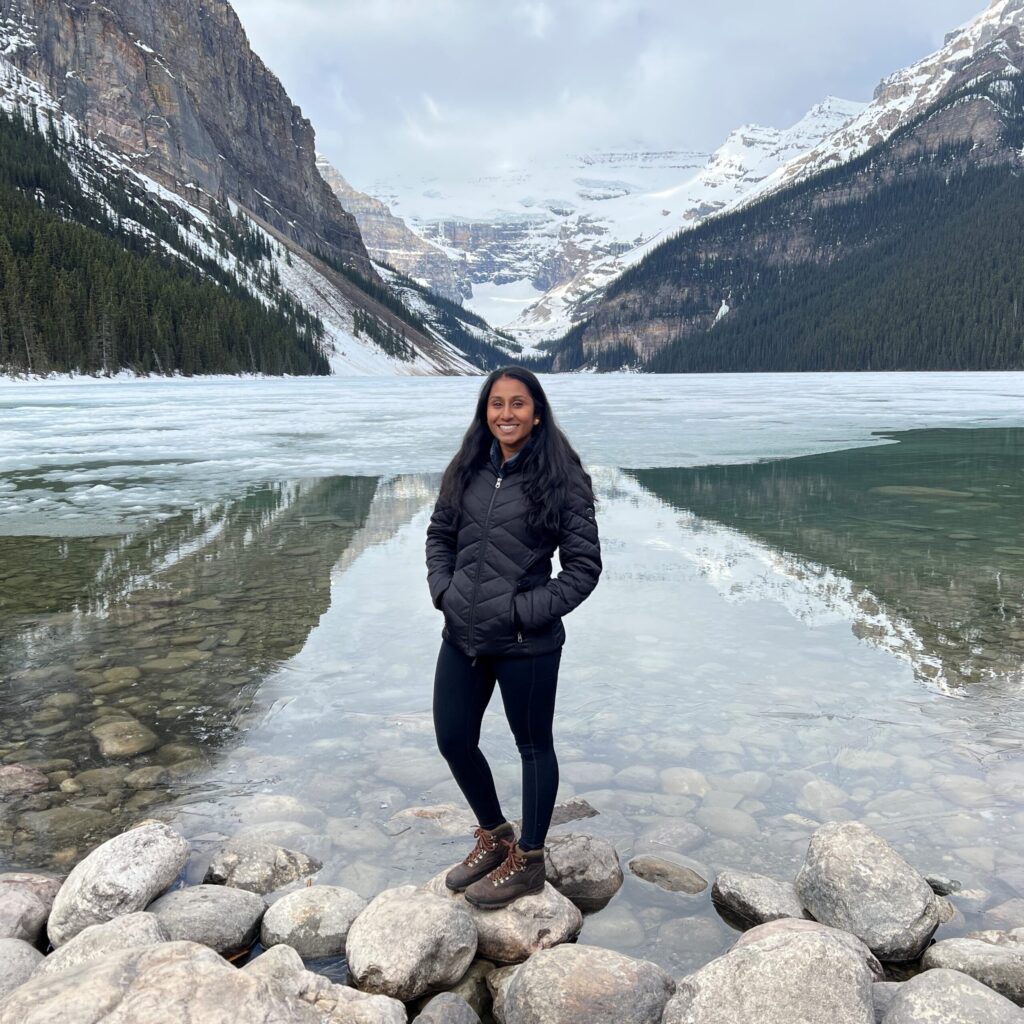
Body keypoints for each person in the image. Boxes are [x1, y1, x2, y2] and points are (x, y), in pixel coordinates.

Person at [425, 366, 602, 909]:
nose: (506, 414)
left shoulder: (562, 476)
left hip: (527, 641)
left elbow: (582, 568)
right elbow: (439, 536)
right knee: (454, 739)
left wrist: (523, 612)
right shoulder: (469, 466)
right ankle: (495, 834)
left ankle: (527, 860)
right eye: (496, 403)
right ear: (485, 411)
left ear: (537, 411)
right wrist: (443, 591)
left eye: (517, 404)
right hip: (462, 633)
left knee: (532, 747)